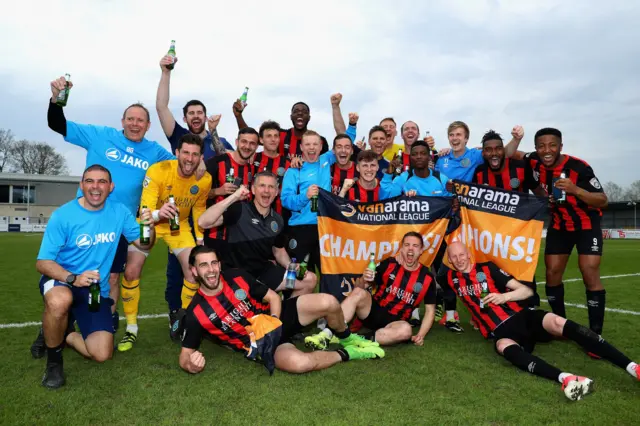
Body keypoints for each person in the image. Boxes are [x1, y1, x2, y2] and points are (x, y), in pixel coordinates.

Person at [32, 75, 175, 359]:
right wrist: (55, 100)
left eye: (141, 121)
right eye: (130, 119)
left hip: (120, 223)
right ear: (122, 121)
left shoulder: (156, 152)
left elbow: (184, 162)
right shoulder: (100, 135)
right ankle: (51, 325)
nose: (135, 124)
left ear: (148, 126)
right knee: (65, 279)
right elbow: (57, 124)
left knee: (110, 278)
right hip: (83, 220)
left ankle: (102, 322)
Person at [440, 242, 639, 401]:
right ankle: (566, 379)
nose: (458, 260)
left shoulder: (488, 268)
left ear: (468, 254)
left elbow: (526, 291)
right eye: (453, 257)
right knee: (502, 346)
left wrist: (504, 297)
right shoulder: (450, 278)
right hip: (501, 331)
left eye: (461, 254)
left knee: (558, 322)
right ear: (449, 260)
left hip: (523, 317)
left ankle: (632, 367)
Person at [36, 165, 155, 389]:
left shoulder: (119, 212)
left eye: (102, 182)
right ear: (81, 185)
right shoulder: (63, 215)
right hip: (64, 280)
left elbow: (144, 243)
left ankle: (65, 333)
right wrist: (73, 278)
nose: (95, 187)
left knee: (101, 354)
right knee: (60, 301)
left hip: (94, 288)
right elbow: (42, 263)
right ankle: (54, 362)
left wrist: (147, 227)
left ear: (111, 187)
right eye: (90, 181)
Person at [178, 246, 385, 375]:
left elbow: (273, 297)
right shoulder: (197, 312)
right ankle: (350, 352)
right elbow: (185, 354)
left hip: (276, 319)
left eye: (214, 263)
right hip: (263, 344)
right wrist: (191, 365)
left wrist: (274, 321)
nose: (211, 269)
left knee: (329, 302)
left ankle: (347, 337)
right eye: (204, 265)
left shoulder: (236, 276)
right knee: (300, 363)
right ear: (194, 271)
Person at [506, 128, 609, 348]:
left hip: (586, 223)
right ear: (536, 149)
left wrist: (575, 190)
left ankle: (595, 334)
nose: (547, 150)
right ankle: (560, 325)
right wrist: (478, 151)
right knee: (552, 273)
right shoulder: (533, 161)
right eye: (541, 146)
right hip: (560, 224)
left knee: (588, 269)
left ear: (560, 146)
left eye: (552, 145)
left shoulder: (579, 167)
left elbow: (602, 200)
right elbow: (511, 153)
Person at [155, 54, 235, 331]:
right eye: (191, 113)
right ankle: (176, 314)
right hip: (181, 213)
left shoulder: (217, 139)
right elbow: (161, 106)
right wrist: (166, 72)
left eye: (200, 113)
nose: (196, 117)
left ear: (205, 115)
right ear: (186, 117)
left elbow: (228, 164)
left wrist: (213, 135)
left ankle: (205, 312)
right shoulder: (178, 136)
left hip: (210, 216)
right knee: (178, 268)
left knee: (211, 265)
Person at [117, 134, 212, 352]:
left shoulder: (204, 179)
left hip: (177, 228)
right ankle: (131, 328)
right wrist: (160, 212)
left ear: (200, 157)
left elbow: (199, 209)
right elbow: (145, 209)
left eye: (195, 154)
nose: (189, 159)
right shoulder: (158, 171)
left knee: (193, 272)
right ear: (177, 153)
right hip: (149, 223)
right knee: (131, 272)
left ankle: (185, 320)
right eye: (185, 153)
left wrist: (199, 238)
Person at [306, 232, 436, 349]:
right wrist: (365, 278)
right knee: (358, 293)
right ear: (401, 248)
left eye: (415, 246)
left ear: (421, 251)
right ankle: (326, 334)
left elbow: (430, 311)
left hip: (396, 322)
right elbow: (360, 286)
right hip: (374, 311)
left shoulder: (427, 278)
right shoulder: (390, 263)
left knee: (406, 331)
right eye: (407, 245)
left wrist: (420, 335)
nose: (410, 249)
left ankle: (355, 339)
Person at [197, 173, 316, 297]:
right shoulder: (239, 210)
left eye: (271, 187)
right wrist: (234, 197)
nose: (266, 190)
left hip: (263, 274)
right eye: (262, 186)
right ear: (253, 189)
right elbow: (202, 222)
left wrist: (290, 265)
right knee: (263, 302)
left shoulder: (278, 220)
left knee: (309, 279)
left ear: (276, 192)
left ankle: (286, 315)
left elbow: (278, 251)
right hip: (237, 277)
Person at [472, 129, 545, 309]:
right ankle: (498, 308)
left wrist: (546, 203)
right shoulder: (480, 172)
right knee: (495, 272)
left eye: (498, 148)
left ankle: (530, 306)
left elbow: (539, 194)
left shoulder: (520, 167)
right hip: (492, 236)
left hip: (518, 233)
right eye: (489, 150)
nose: (494, 153)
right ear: (483, 153)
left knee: (522, 270)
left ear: (504, 150)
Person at [281, 130, 338, 275]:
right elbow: (285, 201)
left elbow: (345, 143)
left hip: (324, 227)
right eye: (307, 144)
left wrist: (352, 124)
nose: (311, 148)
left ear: (320, 147)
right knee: (298, 276)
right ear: (301, 147)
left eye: (315, 144)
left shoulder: (326, 160)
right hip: (300, 228)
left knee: (328, 275)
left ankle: (327, 299)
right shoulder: (293, 170)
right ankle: (292, 298)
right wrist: (304, 196)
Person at [204, 128, 259, 253]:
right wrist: (217, 191)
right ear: (237, 142)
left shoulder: (252, 169)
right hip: (215, 234)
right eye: (244, 142)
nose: (247, 146)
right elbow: (195, 193)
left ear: (256, 147)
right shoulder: (216, 163)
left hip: (240, 237)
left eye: (252, 143)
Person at [233, 99, 329, 158]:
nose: (300, 113)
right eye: (296, 111)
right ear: (291, 117)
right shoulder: (280, 135)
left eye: (304, 112)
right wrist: (239, 116)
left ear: (309, 117)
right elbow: (251, 138)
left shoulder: (319, 141)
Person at [385, 141, 452, 198]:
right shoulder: (402, 179)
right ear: (410, 157)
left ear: (429, 157)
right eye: (414, 154)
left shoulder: (442, 179)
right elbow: (387, 202)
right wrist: (388, 175)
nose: (419, 157)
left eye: (423, 153)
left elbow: (451, 205)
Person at [252, 120, 290, 215]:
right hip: (253, 216)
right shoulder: (253, 158)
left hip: (281, 216)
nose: (273, 139)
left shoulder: (288, 163)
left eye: (276, 136)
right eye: (269, 136)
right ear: (261, 140)